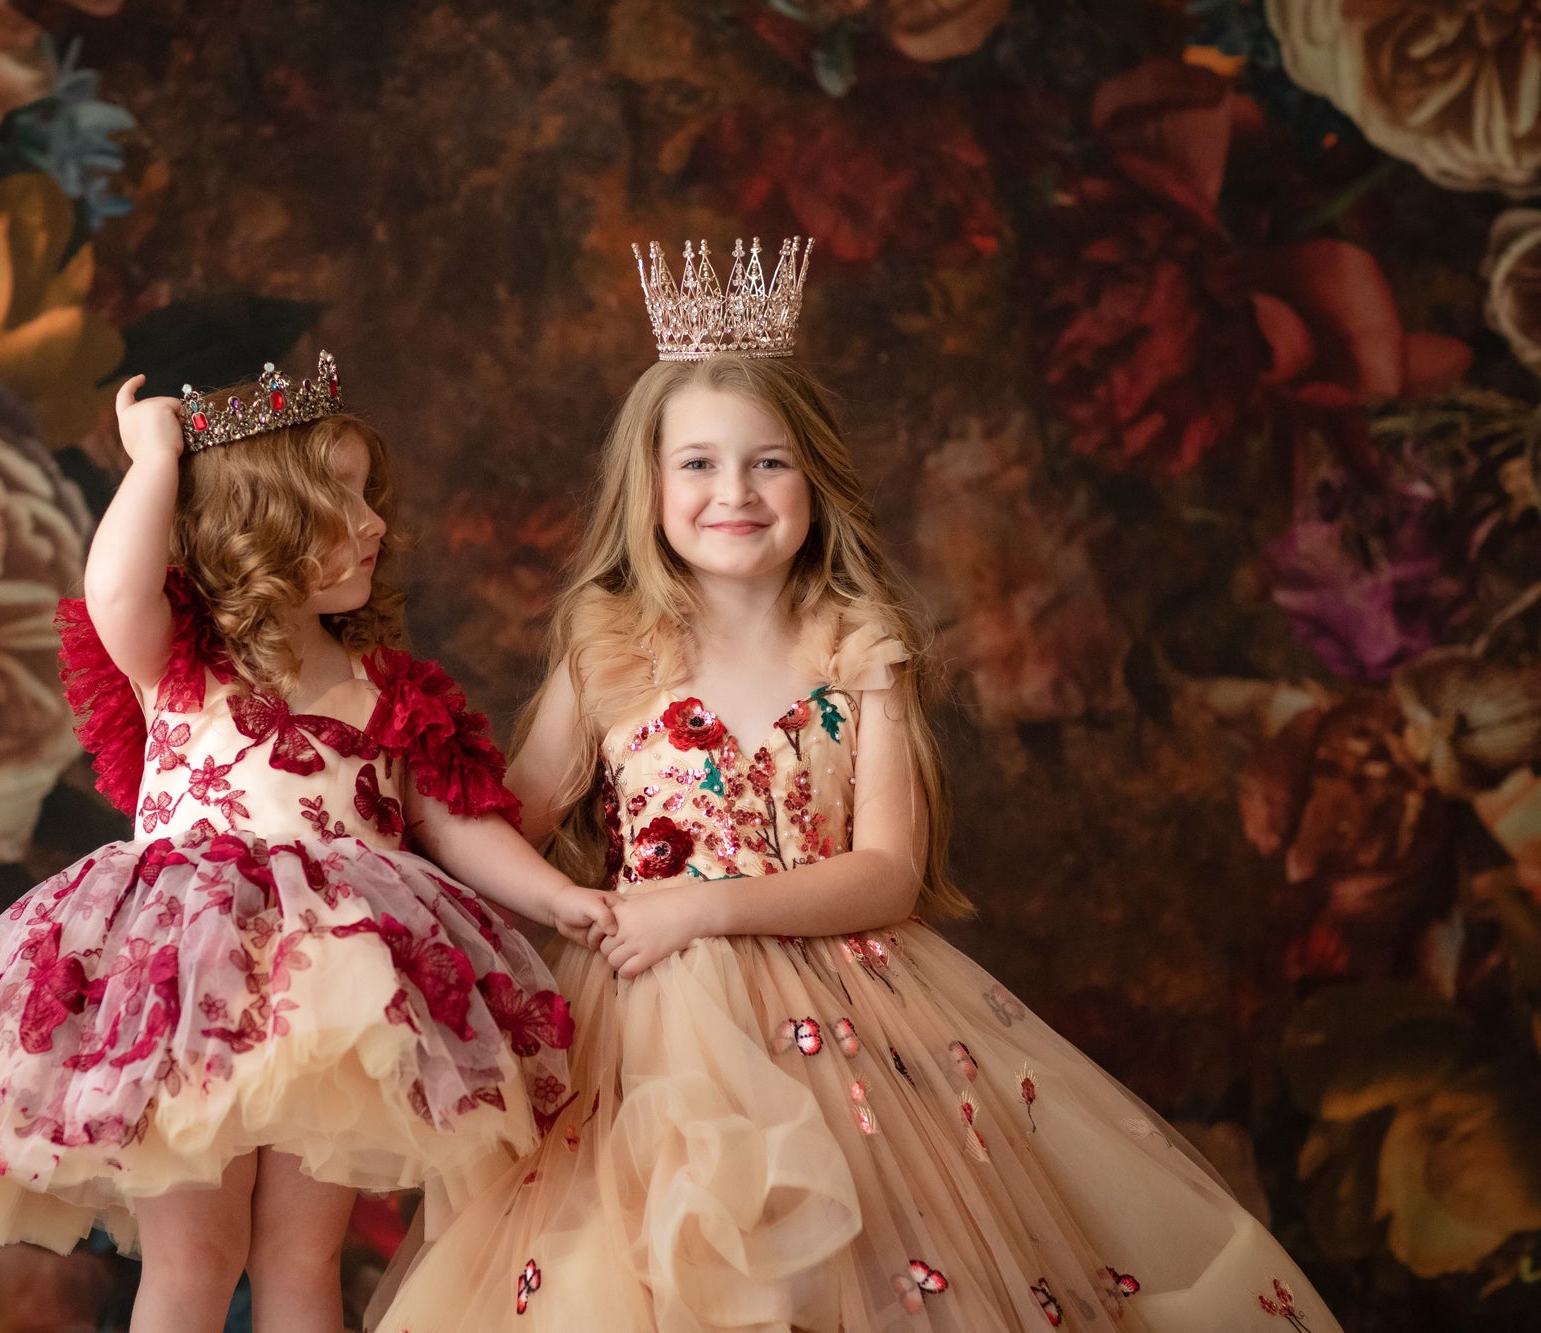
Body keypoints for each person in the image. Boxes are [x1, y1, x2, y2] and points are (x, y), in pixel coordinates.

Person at [369, 241, 1342, 1332]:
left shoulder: (862, 649)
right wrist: (505, 864)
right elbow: (504, 820)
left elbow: (886, 872)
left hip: (852, 1021)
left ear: (816, 480)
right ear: (646, 488)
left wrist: (702, 906)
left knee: (867, 1275)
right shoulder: (607, 648)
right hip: (643, 1039)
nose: (733, 493)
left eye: (767, 463)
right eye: (697, 464)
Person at [0, 351, 615, 1333]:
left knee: (300, 1256)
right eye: (342, 499)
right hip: (185, 984)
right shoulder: (180, 661)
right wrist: (154, 461)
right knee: (194, 1255)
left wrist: (556, 896)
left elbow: (459, 822)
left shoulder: (388, 687)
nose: (374, 523)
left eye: (371, 498)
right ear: (257, 519)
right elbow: (113, 591)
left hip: (331, 1000)